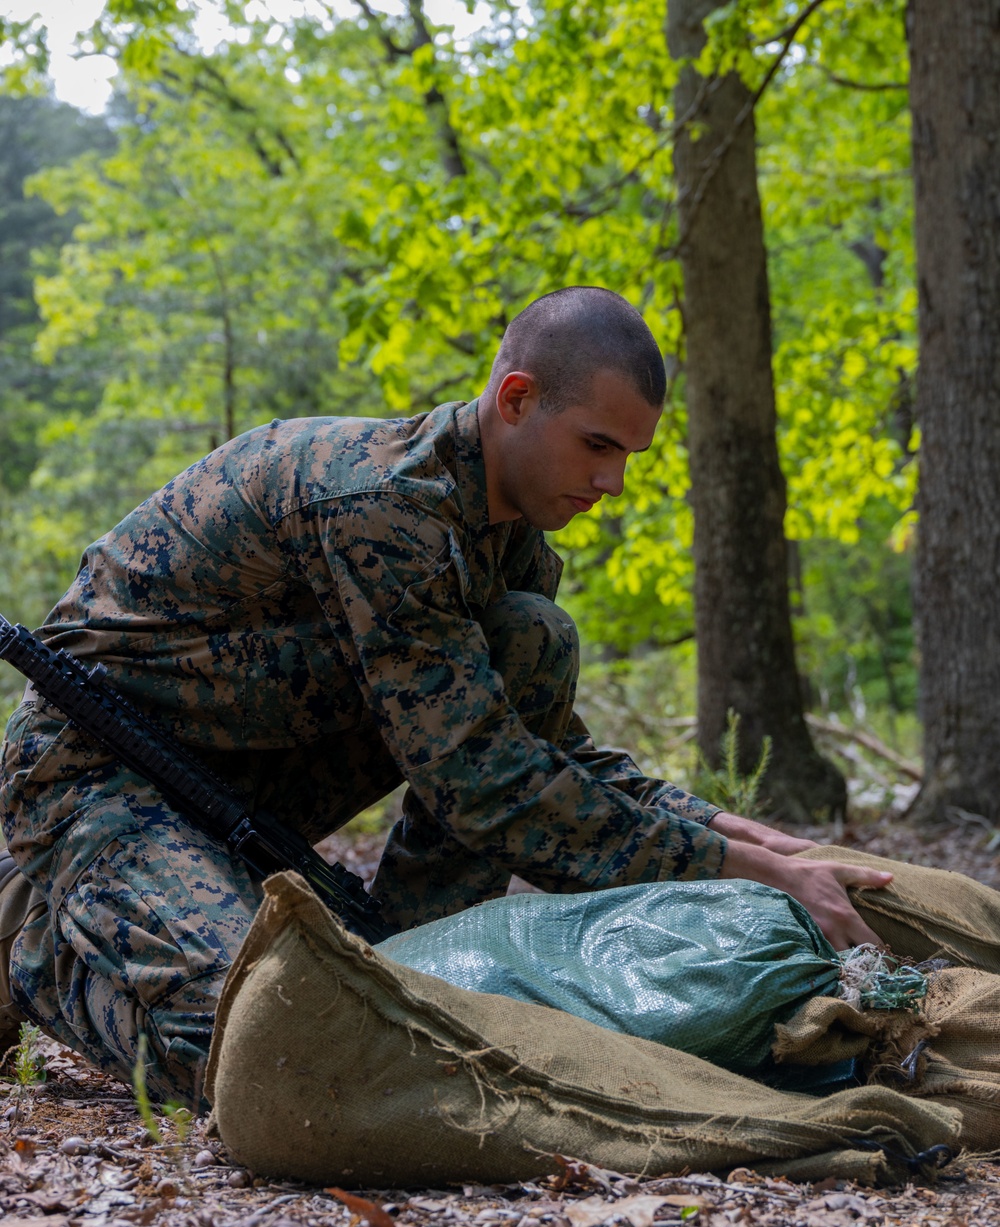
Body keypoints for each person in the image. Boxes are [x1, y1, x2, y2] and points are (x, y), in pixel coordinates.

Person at [0, 287, 891, 1105]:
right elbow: (483, 781)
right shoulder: (382, 504)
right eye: (598, 445)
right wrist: (730, 868)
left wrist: (738, 834)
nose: (614, 483)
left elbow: (545, 752)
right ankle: (26, 949)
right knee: (279, 1053)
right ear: (516, 399)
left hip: (240, 776)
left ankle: (412, 963)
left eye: (630, 456)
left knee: (532, 639)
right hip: (96, 775)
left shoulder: (513, 542)